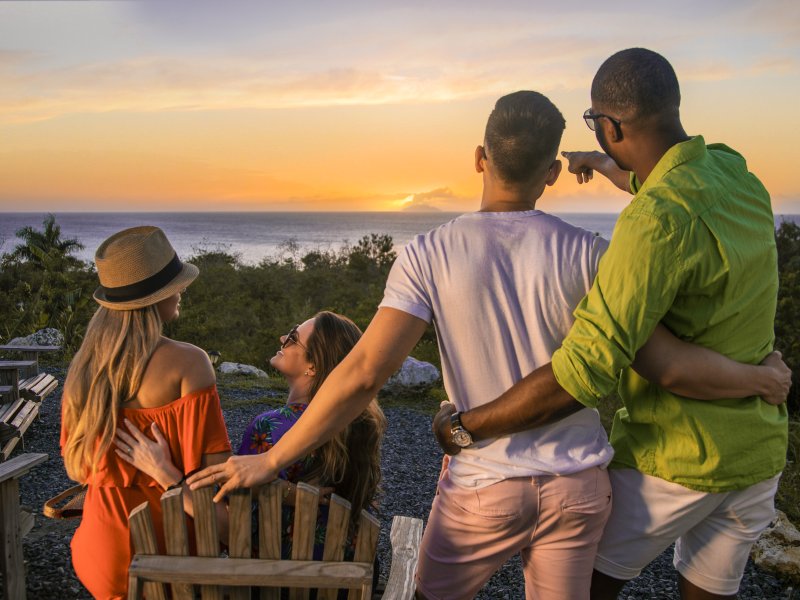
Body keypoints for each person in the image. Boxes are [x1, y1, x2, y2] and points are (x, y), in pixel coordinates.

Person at [185, 91, 789, 600]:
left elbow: (365, 371)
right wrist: (760, 377)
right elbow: (661, 362)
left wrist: (270, 458)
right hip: (578, 489)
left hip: (482, 485)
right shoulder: (590, 253)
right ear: (552, 173)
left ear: (479, 158)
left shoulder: (429, 253)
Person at [429, 48, 790, 600]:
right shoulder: (733, 171)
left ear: (613, 126)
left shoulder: (649, 223)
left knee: (575, 577)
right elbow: (671, 192)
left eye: (595, 122)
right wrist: (603, 164)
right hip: (756, 455)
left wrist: (464, 427)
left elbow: (585, 370)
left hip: (675, 460)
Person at [115, 310, 386, 559]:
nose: (282, 338)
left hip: (282, 583)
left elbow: (232, 531)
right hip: (346, 581)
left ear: (312, 366)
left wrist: (164, 473)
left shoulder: (270, 427)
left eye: (293, 338)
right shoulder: (359, 423)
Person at [60, 226, 232, 600]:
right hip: (168, 556)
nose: (181, 291)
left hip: (102, 553)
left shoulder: (84, 370)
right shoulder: (189, 362)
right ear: (155, 298)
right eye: (175, 285)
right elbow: (215, 475)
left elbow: (78, 468)